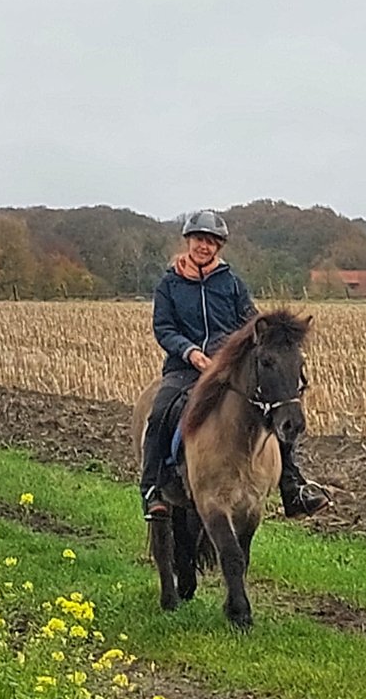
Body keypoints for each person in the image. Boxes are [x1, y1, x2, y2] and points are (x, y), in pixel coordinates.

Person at [140, 209, 331, 521]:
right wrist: (190, 352)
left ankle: (292, 486)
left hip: (226, 368)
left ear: (219, 248)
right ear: (189, 241)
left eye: (212, 242)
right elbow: (164, 328)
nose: (205, 247)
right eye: (200, 240)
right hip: (185, 368)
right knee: (161, 412)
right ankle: (153, 488)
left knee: (274, 413)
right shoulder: (169, 285)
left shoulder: (231, 283)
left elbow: (252, 321)